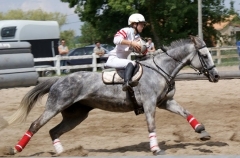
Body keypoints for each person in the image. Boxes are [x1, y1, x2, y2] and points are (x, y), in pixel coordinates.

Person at [105, 13, 147, 91]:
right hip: (113, 59)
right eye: (141, 24)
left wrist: (142, 50)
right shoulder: (126, 30)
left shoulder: (137, 37)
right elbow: (116, 40)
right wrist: (131, 43)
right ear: (134, 24)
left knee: (135, 63)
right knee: (131, 63)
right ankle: (126, 83)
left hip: (121, 60)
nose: (143, 26)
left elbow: (139, 50)